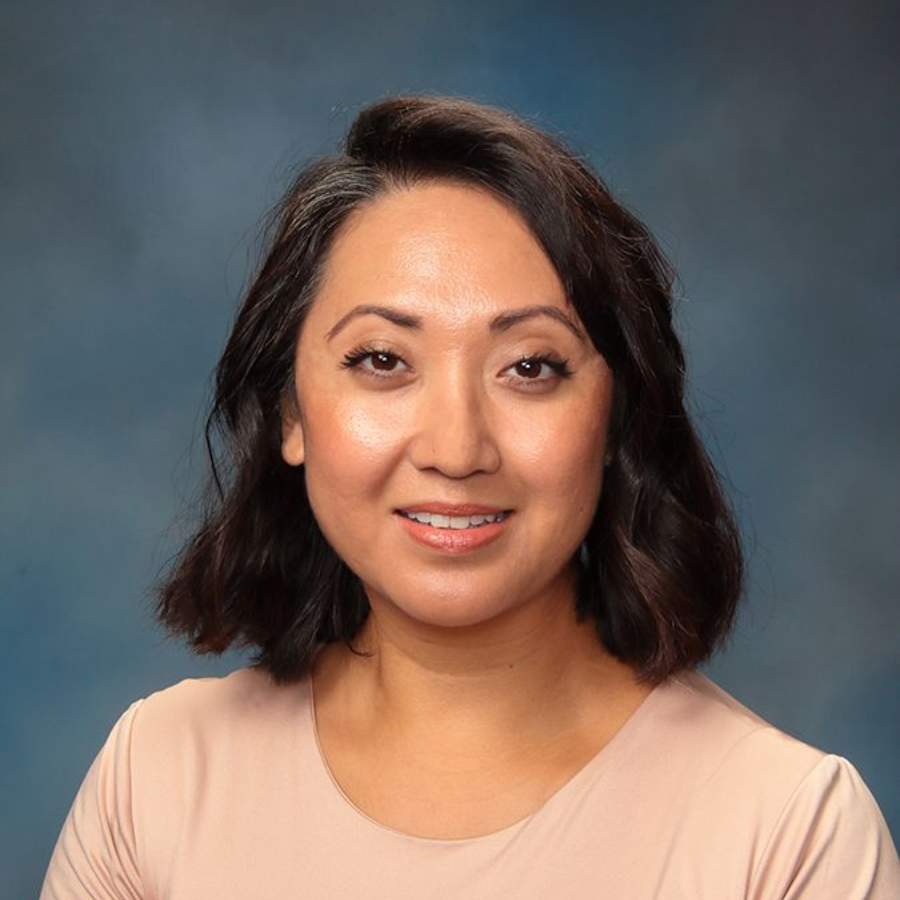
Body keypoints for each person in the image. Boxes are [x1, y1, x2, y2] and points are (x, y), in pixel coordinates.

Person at [41, 95, 898, 899]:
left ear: (616, 420)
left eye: (531, 367)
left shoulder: (787, 833)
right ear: (290, 415)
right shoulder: (153, 779)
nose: (456, 449)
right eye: (382, 361)